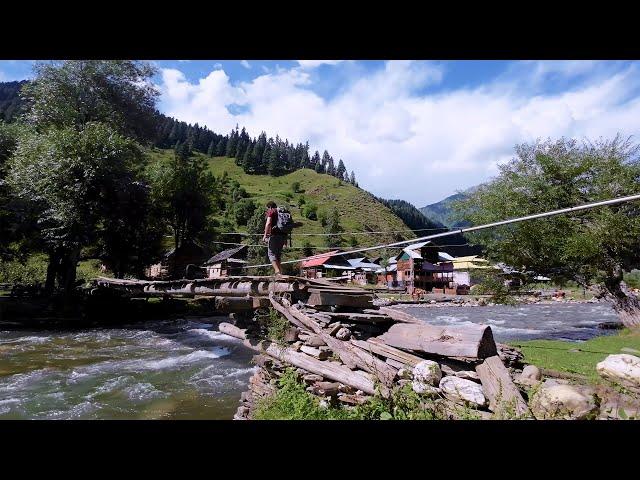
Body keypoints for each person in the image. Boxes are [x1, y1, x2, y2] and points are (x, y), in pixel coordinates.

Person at [263, 201, 286, 275]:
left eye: (267, 208)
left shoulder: (272, 212)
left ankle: (277, 271)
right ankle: (280, 272)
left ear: (270, 207)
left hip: (274, 236)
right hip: (283, 236)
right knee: (278, 255)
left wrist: (265, 235)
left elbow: (268, 223)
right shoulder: (282, 212)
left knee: (271, 254)